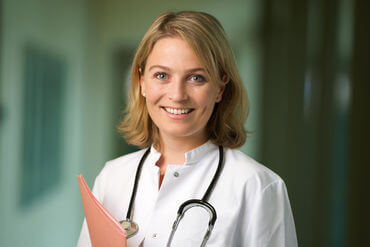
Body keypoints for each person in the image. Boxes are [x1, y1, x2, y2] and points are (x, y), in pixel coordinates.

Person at [77, 11, 298, 247]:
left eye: (196, 78)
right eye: (162, 75)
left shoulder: (257, 187)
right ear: (142, 83)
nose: (177, 95)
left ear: (220, 88)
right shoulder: (112, 177)